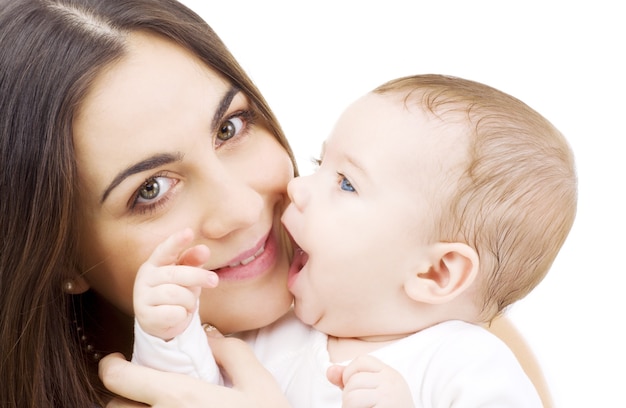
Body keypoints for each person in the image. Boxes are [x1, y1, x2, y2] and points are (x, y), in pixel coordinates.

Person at [0, 0, 554, 405]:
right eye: (151, 189)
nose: (243, 209)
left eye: (230, 126)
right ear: (60, 257)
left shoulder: (449, 332)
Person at [131, 74, 576, 407]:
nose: (298, 188)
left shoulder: (466, 365)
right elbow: (185, 396)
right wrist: (169, 334)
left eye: (345, 183)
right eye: (318, 163)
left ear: (434, 272)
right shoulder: (271, 334)